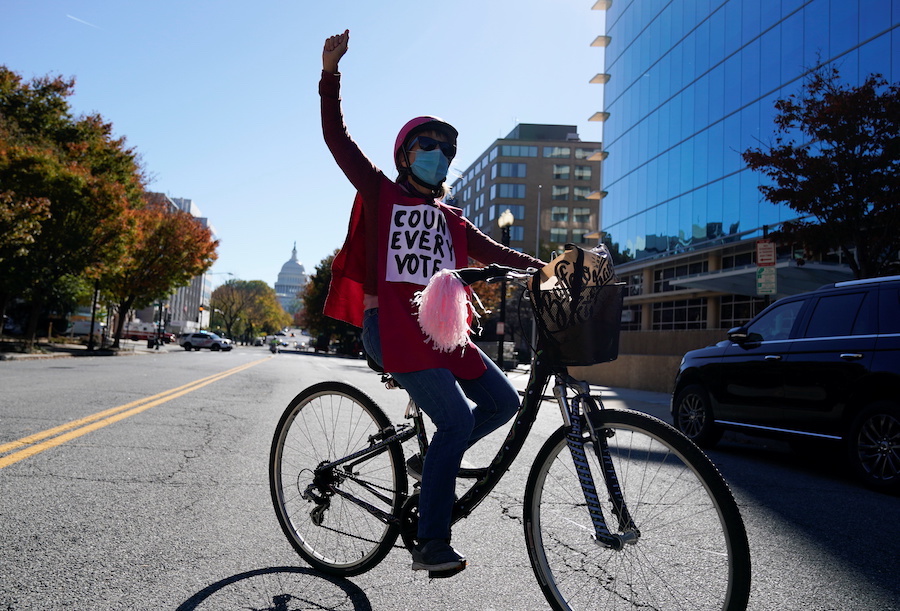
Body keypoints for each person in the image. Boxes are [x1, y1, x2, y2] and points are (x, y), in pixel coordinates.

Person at [320, 30, 544, 575]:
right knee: (458, 419)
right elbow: (338, 141)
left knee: (503, 403)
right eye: (431, 147)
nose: (441, 157)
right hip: (390, 328)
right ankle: (431, 540)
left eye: (449, 151)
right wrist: (330, 73)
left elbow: (491, 248)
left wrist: (544, 269)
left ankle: (428, 462)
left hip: (441, 333)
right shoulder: (382, 193)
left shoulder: (449, 218)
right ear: (406, 155)